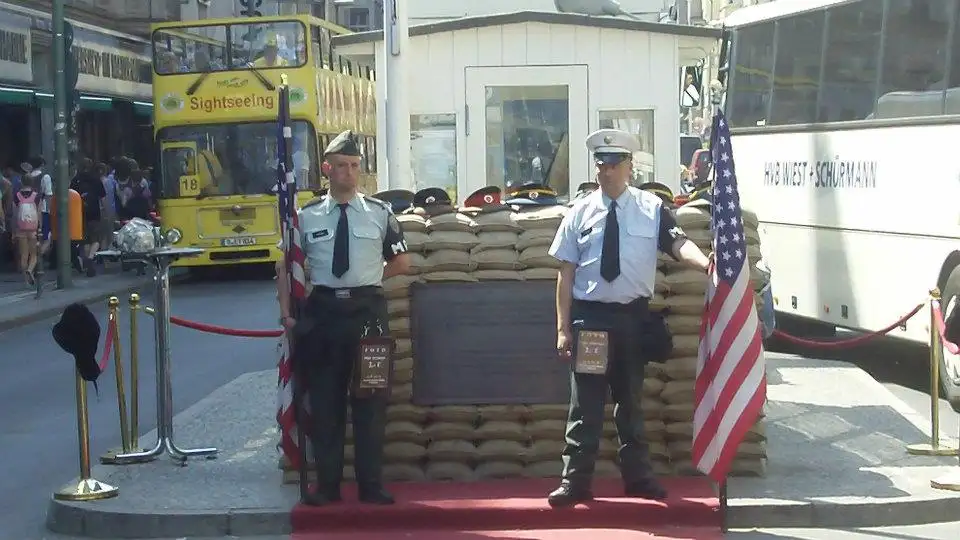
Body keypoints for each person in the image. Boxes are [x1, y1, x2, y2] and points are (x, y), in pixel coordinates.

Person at [546, 129, 711, 507]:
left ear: (629, 167)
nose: (606, 172)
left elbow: (677, 242)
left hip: (632, 320)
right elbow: (565, 273)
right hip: (591, 321)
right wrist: (561, 329)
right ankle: (575, 482)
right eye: (601, 165)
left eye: (614, 165)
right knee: (584, 405)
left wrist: (706, 264)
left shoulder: (652, 209)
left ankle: (638, 479)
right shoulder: (580, 212)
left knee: (631, 404)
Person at [286, 130, 410, 506]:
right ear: (327, 169)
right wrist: (286, 313)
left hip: (367, 315)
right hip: (323, 314)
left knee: (371, 402)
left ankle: (371, 485)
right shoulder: (305, 218)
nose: (349, 173)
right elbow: (286, 266)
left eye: (355, 166)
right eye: (341, 166)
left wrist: (368, 281)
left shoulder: (379, 213)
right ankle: (328, 486)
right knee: (325, 404)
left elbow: (402, 261)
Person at [71, 158, 107, 276]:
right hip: (94, 212)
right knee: (96, 239)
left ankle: (87, 260)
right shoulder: (95, 179)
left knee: (85, 240)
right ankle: (90, 258)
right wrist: (104, 210)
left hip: (80, 213)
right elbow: (103, 197)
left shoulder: (76, 180)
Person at [12, 174, 40, 285]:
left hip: (21, 228)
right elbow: (39, 213)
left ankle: (26, 280)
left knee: (24, 255)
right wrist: (39, 227)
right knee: (34, 254)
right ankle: (30, 269)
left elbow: (14, 215)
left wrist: (14, 231)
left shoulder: (17, 196)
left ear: (21, 182)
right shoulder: (36, 196)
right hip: (33, 228)